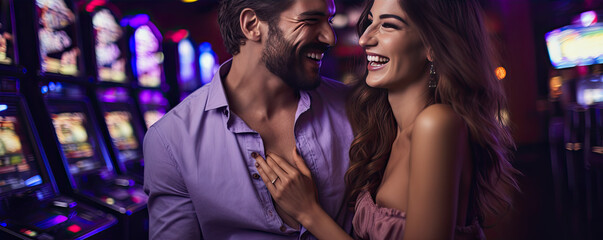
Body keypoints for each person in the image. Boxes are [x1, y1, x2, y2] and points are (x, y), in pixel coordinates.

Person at [253, 0, 521, 239]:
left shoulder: (436, 123)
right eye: (370, 22)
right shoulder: (388, 131)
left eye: (388, 26)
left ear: (432, 46)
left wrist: (309, 212)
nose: (364, 39)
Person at [142, 0, 355, 239]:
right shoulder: (170, 139)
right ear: (252, 25)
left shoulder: (356, 108)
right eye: (310, 20)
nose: (330, 37)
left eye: (329, 21)